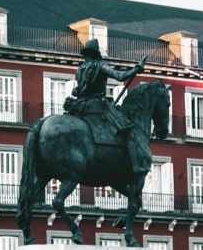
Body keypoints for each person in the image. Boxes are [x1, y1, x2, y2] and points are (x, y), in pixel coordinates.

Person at [63, 40, 151, 174]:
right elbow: (120, 76)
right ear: (96, 53)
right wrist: (137, 68)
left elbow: (80, 89)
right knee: (128, 129)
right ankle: (135, 165)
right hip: (98, 106)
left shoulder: (79, 69)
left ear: (86, 54)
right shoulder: (101, 66)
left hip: (81, 107)